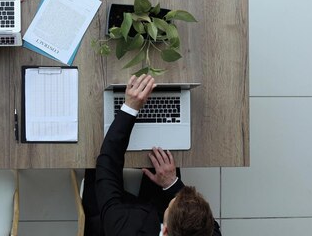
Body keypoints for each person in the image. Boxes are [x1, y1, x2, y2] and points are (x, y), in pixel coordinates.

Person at [86, 74, 221, 236]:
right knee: (164, 153)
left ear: (165, 230)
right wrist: (171, 184)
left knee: (95, 163)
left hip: (119, 218)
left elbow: (107, 170)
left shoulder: (122, 229)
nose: (176, 198)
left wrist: (130, 108)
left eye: (172, 204)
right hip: (153, 215)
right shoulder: (205, 232)